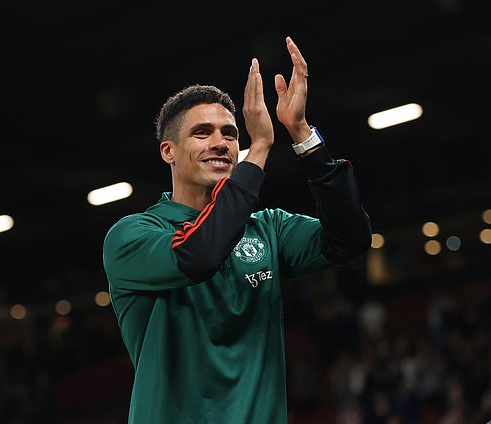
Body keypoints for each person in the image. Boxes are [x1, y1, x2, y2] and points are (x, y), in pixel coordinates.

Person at [102, 36, 372, 423]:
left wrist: (301, 134)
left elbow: (351, 239)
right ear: (168, 152)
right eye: (202, 133)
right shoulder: (131, 236)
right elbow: (198, 254)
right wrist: (259, 146)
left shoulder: (267, 229)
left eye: (230, 134)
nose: (221, 143)